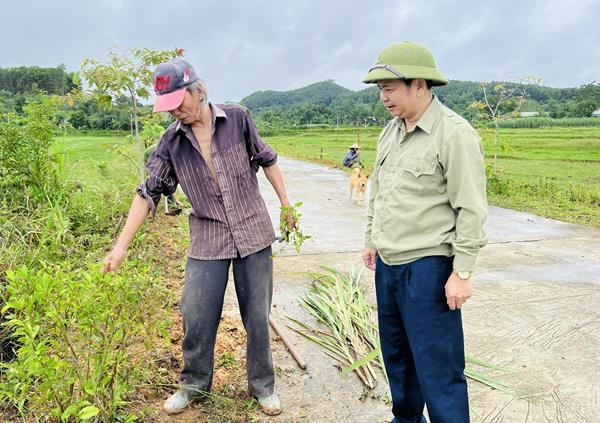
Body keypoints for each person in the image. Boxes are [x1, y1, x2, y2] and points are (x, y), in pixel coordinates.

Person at [102, 58, 295, 416]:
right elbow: (147, 193)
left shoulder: (237, 118)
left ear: (199, 91)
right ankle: (193, 385)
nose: (174, 112)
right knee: (196, 313)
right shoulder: (170, 142)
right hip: (208, 235)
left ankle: (262, 387)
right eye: (167, 106)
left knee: (256, 315)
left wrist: (285, 204)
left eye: (178, 102)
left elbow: (267, 159)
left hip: (253, 230)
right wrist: (120, 247)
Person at [361, 42, 488, 422]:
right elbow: (378, 191)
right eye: (380, 89)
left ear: (419, 85)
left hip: (428, 269)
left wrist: (462, 272)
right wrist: (372, 238)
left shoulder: (453, 134)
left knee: (438, 367)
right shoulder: (391, 131)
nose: (383, 97)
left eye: (389, 88)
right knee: (398, 359)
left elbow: (471, 208)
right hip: (389, 265)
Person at [143, 143, 182, 215]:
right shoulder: (169, 156)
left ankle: (171, 204)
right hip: (149, 155)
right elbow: (167, 181)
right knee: (155, 184)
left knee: (166, 182)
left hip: (157, 153)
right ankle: (151, 207)